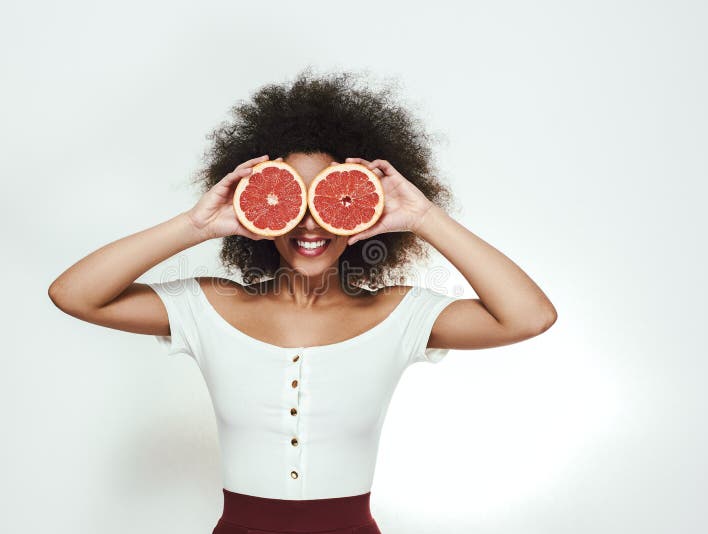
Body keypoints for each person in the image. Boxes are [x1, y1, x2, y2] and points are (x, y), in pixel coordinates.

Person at [48, 68, 558, 534]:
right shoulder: (211, 308)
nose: (310, 222)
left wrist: (426, 218)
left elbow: (530, 316)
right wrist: (194, 225)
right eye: (291, 198)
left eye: (327, 199)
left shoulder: (398, 314)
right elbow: (73, 294)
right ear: (259, 208)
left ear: (361, 210)